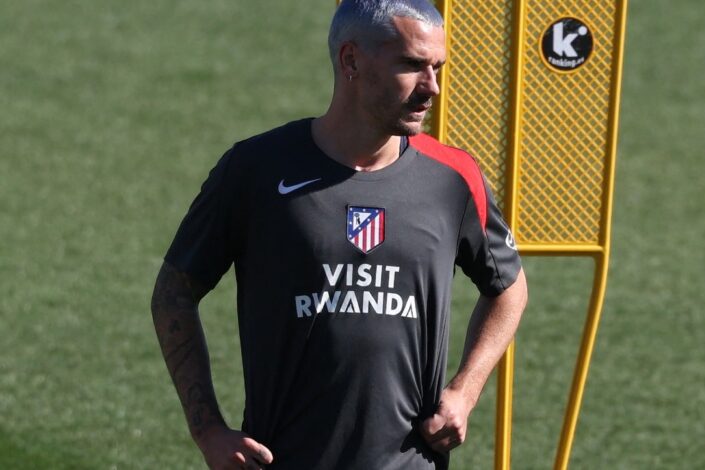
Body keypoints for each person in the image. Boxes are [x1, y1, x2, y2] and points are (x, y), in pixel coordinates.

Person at [150, 0, 528, 468]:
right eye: (412, 65)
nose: (431, 87)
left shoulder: (454, 177)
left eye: (437, 67)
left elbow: (509, 287)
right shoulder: (255, 170)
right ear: (351, 60)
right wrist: (207, 429)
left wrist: (464, 392)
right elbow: (173, 292)